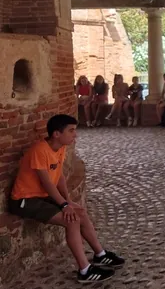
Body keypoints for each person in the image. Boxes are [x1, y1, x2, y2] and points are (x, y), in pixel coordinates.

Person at [8, 114, 125, 282]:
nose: (75, 135)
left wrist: (68, 200)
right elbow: (47, 183)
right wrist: (63, 205)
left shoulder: (60, 147)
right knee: (71, 220)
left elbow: (59, 176)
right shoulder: (40, 151)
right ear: (56, 134)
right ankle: (85, 271)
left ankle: (100, 254)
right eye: (71, 131)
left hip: (41, 196)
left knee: (81, 212)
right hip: (24, 200)